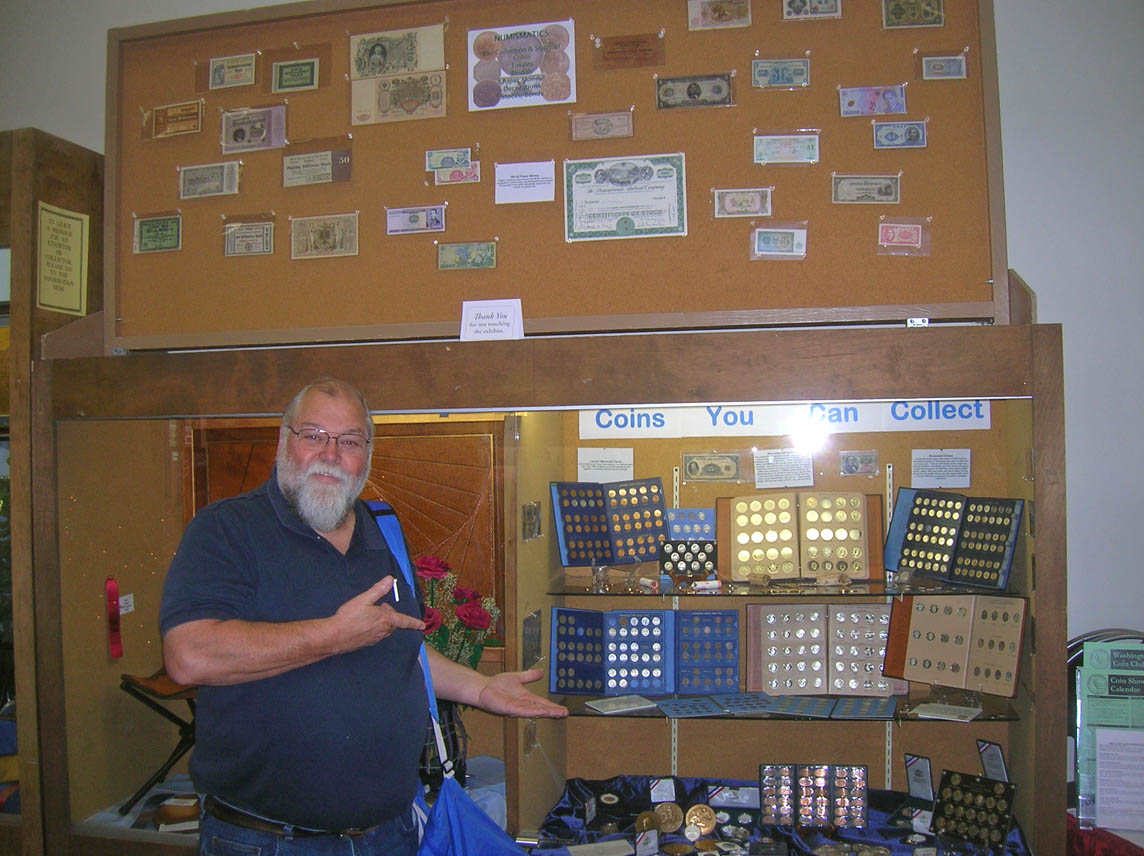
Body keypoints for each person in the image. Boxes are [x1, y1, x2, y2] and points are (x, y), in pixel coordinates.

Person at [160, 377, 567, 855]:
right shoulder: (227, 530)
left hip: (388, 835)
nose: (331, 453)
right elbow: (189, 655)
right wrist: (333, 636)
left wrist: (480, 688)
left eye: (349, 441)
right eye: (313, 435)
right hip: (269, 841)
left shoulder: (383, 532)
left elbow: (402, 647)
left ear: (367, 456)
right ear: (283, 441)